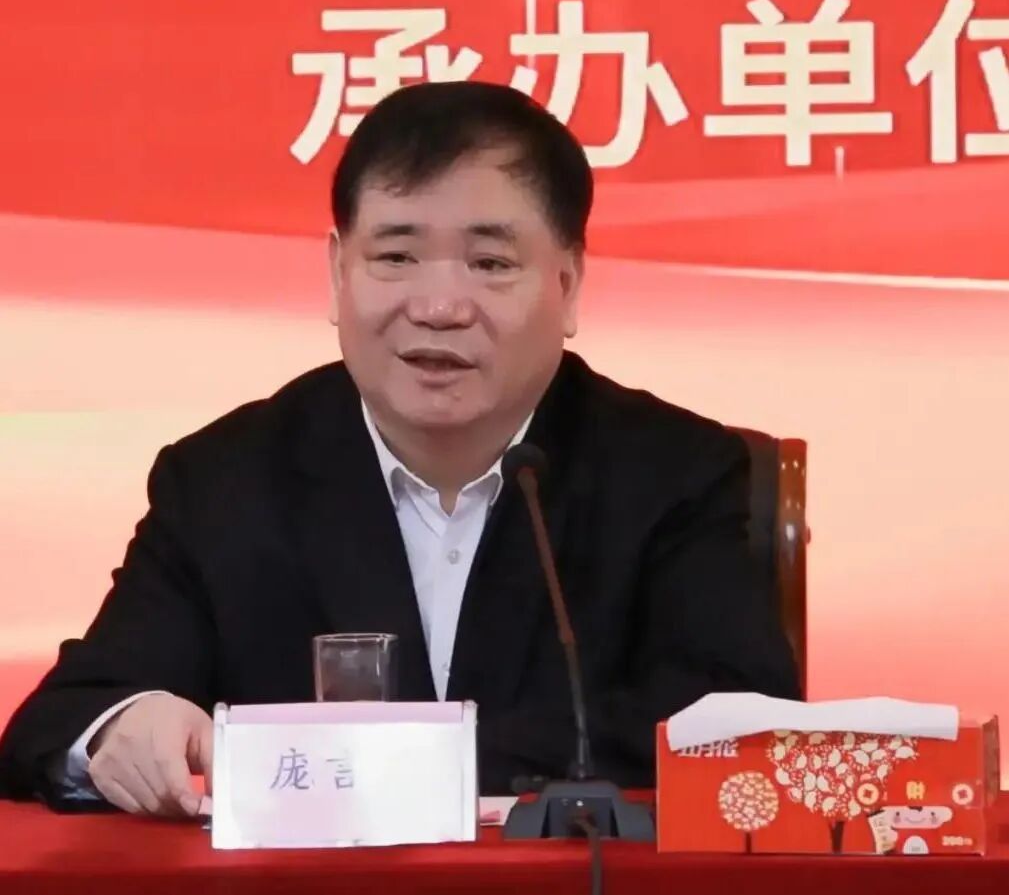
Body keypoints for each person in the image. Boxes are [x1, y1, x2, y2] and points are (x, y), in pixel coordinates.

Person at [0, 81, 798, 816]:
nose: (439, 305)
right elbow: (67, 715)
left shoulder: (673, 473)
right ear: (336, 272)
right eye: (395, 257)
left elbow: (736, 729)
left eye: (489, 263)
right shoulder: (223, 480)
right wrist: (122, 727)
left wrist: (359, 764)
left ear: (567, 286)